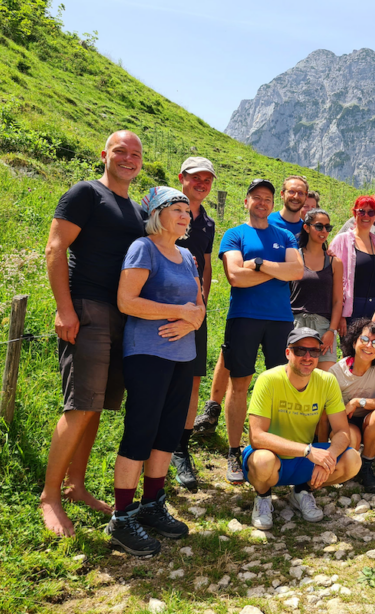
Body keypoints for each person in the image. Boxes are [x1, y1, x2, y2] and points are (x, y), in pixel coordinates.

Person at [41, 130, 146, 537]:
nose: (128, 158)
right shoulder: (86, 193)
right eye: (121, 151)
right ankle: (49, 496)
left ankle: (76, 485)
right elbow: (55, 249)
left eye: (135, 154)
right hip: (87, 308)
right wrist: (65, 309)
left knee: (97, 406)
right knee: (79, 404)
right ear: (104, 154)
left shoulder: (135, 209)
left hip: (122, 314)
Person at [106, 186, 204, 556]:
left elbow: (199, 306)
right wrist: (178, 314)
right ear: (156, 214)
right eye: (176, 209)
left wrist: (192, 321)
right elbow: (126, 301)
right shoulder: (142, 248)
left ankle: (151, 504)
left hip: (182, 354)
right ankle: (122, 516)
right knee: (141, 430)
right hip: (147, 352)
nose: (184, 215)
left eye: (186, 211)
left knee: (167, 433)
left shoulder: (187, 255)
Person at [219, 178, 304, 483]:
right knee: (239, 383)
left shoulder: (285, 235)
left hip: (280, 319)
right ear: (247, 201)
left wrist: (256, 264)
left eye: (267, 198)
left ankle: (272, 447)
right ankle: (233, 450)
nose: (263, 202)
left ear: (273, 203)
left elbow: (296, 271)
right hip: (243, 317)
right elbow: (234, 277)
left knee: (278, 384)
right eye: (257, 197)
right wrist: (274, 271)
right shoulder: (234, 234)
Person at [242, 328, 361, 530]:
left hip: (305, 458)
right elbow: (257, 436)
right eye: (300, 351)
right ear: (288, 353)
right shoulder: (268, 379)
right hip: (273, 456)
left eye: (313, 352)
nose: (307, 357)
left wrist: (328, 458)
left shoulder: (327, 381)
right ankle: (263, 496)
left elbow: (342, 431)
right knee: (262, 462)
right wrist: (308, 451)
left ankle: (302, 492)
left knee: (353, 460)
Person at [170, 157, 217, 492]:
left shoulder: (208, 223)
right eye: (195, 177)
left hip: (194, 311)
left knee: (192, 380)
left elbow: (207, 267)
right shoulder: (164, 209)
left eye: (207, 179)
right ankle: (153, 446)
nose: (201, 183)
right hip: (159, 308)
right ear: (181, 178)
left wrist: (202, 304)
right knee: (160, 376)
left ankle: (180, 448)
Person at [329, 320, 375, 494]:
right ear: (354, 342)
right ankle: (350, 466)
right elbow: (326, 414)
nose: (369, 345)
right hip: (346, 422)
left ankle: (366, 465)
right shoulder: (336, 372)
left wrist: (357, 402)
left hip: (370, 419)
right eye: (365, 339)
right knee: (351, 438)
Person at [290, 208, 343, 372]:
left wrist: (331, 331)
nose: (324, 231)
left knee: (325, 379)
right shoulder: (294, 257)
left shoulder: (335, 262)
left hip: (323, 326)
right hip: (296, 322)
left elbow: (337, 300)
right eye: (319, 226)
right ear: (306, 227)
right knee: (297, 376)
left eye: (328, 227)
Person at [329, 195, 375, 323]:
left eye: (370, 212)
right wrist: (340, 315)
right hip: (351, 310)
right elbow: (331, 279)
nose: (366, 216)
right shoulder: (341, 240)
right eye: (361, 211)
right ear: (354, 214)